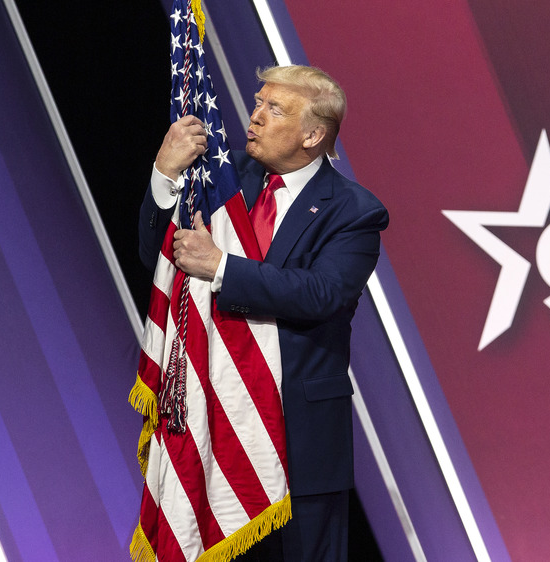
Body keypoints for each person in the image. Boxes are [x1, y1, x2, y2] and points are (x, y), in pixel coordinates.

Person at [138, 65, 388, 561]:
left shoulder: (354, 211)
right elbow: (158, 258)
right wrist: (164, 176)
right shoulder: (223, 181)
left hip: (300, 447)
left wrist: (222, 266)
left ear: (313, 135)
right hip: (211, 433)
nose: (254, 118)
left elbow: (323, 293)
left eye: (274, 110)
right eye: (257, 103)